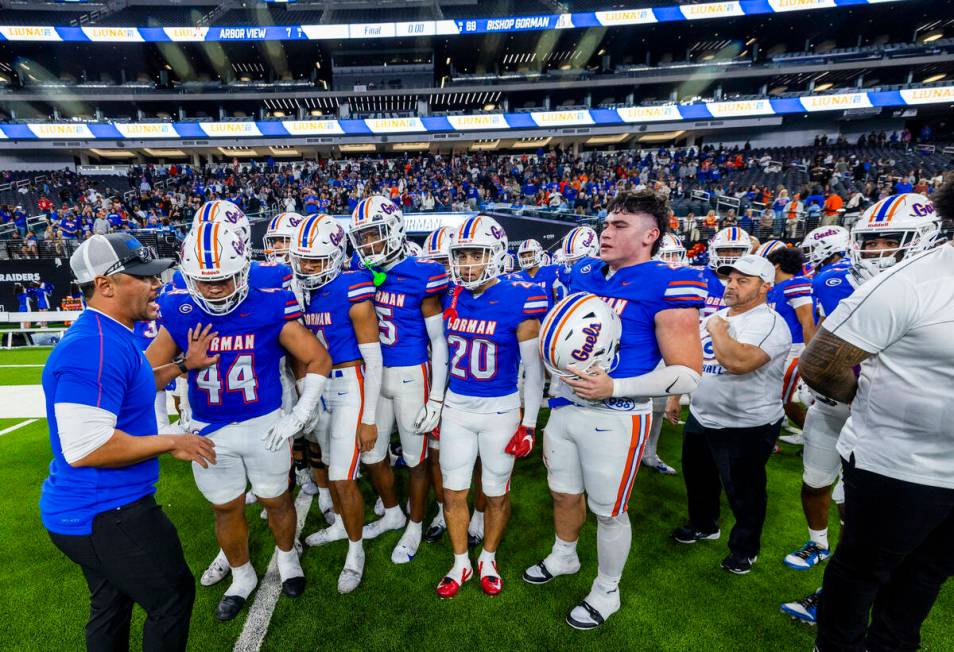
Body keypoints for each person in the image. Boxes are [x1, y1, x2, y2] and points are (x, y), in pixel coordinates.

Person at [524, 190, 704, 630]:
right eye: (606, 224)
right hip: (565, 405)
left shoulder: (667, 281)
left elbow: (688, 375)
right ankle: (565, 555)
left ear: (650, 235)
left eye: (619, 226)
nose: (605, 232)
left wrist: (614, 385)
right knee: (563, 492)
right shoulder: (584, 272)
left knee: (609, 509)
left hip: (618, 414)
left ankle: (608, 588)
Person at [41, 233, 217, 652]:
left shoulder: (110, 334)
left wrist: (180, 366)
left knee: (112, 604)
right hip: (105, 510)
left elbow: (131, 388)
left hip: (95, 509)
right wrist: (169, 441)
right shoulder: (93, 346)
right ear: (106, 285)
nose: (155, 284)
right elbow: (86, 448)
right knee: (172, 597)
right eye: (142, 276)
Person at [147, 221, 331, 621]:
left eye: (224, 279)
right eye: (204, 280)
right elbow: (146, 375)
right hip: (209, 431)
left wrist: (300, 413)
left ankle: (287, 560)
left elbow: (317, 356)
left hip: (263, 425)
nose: (213, 288)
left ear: (244, 269)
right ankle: (242, 576)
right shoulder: (178, 311)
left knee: (277, 499)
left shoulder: (268, 302)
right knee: (225, 509)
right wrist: (164, 427)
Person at [801, 188, 951, 652]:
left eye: (889, 240)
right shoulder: (912, 281)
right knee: (863, 570)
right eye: (873, 241)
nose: (876, 252)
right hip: (899, 466)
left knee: (927, 572)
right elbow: (821, 362)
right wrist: (864, 400)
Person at [435, 215, 547, 598]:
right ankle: (460, 562)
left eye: (475, 255)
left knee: (496, 492)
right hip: (456, 408)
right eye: (461, 255)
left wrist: (529, 424)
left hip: (500, 409)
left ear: (496, 255)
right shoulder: (451, 294)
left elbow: (533, 371)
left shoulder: (520, 296)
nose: (466, 264)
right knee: (453, 492)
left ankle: (488, 557)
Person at [672, 254, 790, 575]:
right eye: (730, 279)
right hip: (702, 414)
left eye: (743, 280)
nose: (732, 285)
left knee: (745, 491)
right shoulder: (719, 316)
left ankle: (744, 549)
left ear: (765, 286)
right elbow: (695, 358)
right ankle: (703, 525)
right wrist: (677, 396)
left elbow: (738, 362)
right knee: (699, 479)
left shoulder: (768, 322)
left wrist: (716, 328)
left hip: (747, 424)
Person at [348, 196, 450, 565]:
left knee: (416, 458)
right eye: (362, 237)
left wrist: (436, 396)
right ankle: (393, 512)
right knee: (373, 455)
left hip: (411, 374)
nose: (368, 245)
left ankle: (415, 524)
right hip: (372, 375)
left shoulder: (423, 272)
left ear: (393, 229)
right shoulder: (359, 270)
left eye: (375, 234)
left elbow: (438, 340)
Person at [293, 215, 382, 594]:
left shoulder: (353, 288)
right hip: (317, 387)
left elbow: (373, 358)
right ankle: (343, 526)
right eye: (303, 259)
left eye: (315, 259)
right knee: (327, 463)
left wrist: (370, 418)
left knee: (345, 478)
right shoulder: (297, 289)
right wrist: (304, 393)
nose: (307, 266)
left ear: (335, 256)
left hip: (348, 387)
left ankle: (356, 549)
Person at [766, 247, 816, 438]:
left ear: (776, 265)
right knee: (773, 395)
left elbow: (807, 322)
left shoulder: (795, 284)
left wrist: (811, 355)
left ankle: (813, 436)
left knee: (782, 398)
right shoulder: (775, 288)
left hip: (793, 350)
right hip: (775, 349)